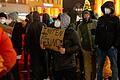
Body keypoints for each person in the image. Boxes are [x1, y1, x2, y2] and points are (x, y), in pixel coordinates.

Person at [45, 13, 81, 80]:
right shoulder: (54, 31)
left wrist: (66, 50)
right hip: (57, 65)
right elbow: (51, 46)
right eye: (57, 20)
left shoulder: (72, 32)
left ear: (64, 21)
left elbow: (78, 46)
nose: (57, 21)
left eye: (59, 20)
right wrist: (45, 47)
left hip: (68, 65)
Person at [95, 1, 120, 80]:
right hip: (101, 47)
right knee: (99, 66)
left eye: (108, 8)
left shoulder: (115, 19)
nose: (106, 9)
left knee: (114, 66)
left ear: (111, 9)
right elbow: (97, 32)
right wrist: (97, 44)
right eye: (105, 8)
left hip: (111, 47)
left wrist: (115, 45)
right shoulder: (100, 19)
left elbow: (118, 33)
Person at [25, 11, 47, 80]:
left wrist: (27, 48)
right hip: (43, 48)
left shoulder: (30, 26)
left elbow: (27, 39)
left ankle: (36, 77)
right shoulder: (44, 25)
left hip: (33, 49)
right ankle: (44, 76)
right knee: (43, 63)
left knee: (35, 65)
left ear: (33, 17)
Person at [77, 10, 97, 80]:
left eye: (87, 14)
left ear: (89, 15)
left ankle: (95, 77)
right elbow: (78, 37)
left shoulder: (95, 22)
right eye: (84, 14)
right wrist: (81, 48)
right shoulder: (80, 26)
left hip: (95, 48)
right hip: (85, 48)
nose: (86, 16)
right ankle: (87, 78)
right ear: (83, 16)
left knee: (96, 65)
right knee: (87, 66)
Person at [8, 11, 23, 80]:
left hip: (16, 49)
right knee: (15, 66)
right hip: (16, 49)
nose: (9, 19)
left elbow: (17, 39)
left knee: (15, 67)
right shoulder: (17, 25)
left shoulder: (17, 26)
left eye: (10, 18)